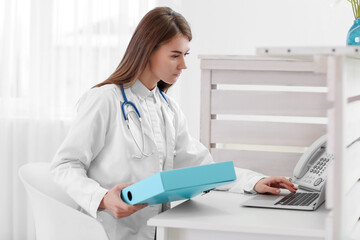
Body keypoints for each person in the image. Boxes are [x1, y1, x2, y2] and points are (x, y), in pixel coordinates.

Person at [50, 6, 297, 240]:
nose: (183, 65)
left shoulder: (167, 108)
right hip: (105, 231)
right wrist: (103, 198)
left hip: (154, 231)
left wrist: (253, 181)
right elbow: (65, 165)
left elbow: (202, 168)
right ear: (148, 50)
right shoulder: (105, 99)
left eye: (185, 55)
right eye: (175, 55)